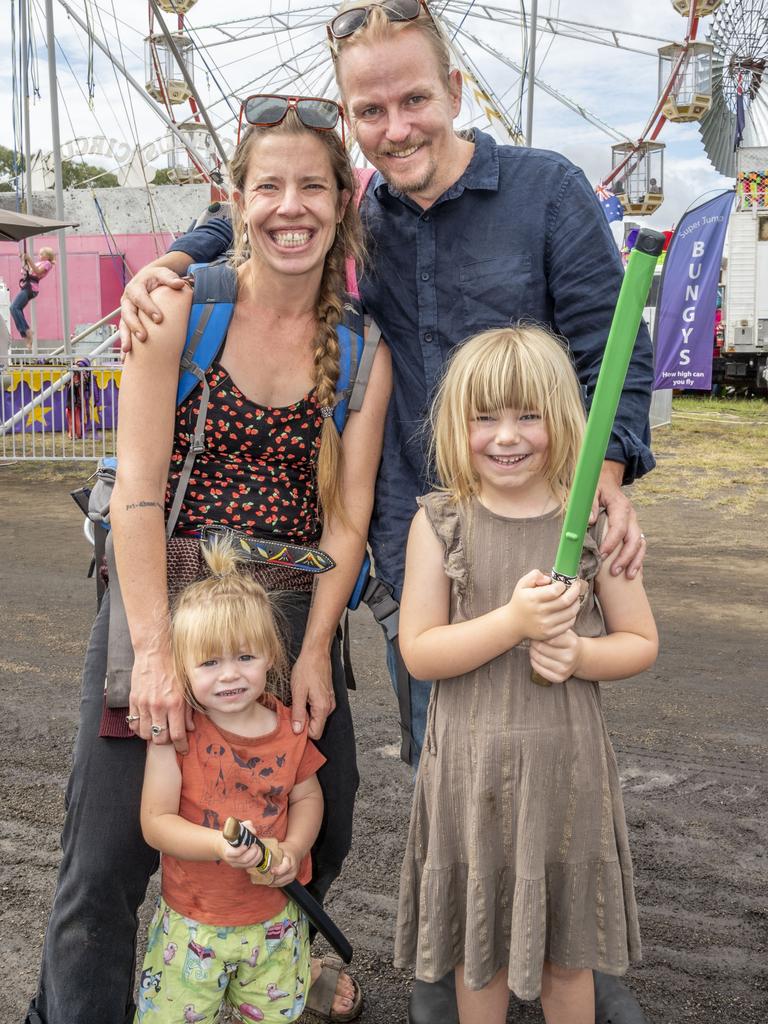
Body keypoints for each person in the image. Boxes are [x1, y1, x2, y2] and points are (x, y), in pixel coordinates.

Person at [117, 3, 656, 1019]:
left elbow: (605, 350)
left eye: (414, 98)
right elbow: (275, 207)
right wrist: (182, 255)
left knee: (551, 771)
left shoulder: (547, 192)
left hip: (541, 544)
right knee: (449, 780)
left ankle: (581, 977)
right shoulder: (368, 214)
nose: (397, 124)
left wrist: (611, 482)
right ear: (356, 122)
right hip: (424, 555)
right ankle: (453, 994)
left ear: (456, 92)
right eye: (372, 108)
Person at [25, 98, 390, 1024]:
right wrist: (149, 651)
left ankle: (260, 957)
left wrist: (313, 655)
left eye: (313, 185)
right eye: (268, 185)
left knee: (323, 816)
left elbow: (346, 522)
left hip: (286, 612)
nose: (290, 205)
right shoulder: (180, 310)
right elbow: (140, 492)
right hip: (167, 596)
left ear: (344, 203)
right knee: (105, 856)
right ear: (234, 199)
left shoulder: (359, 352)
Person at [396, 326, 658, 1024]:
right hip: (469, 777)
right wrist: (511, 623)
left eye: (528, 415)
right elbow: (419, 650)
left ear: (562, 419)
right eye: (485, 417)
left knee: (567, 959)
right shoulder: (440, 523)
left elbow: (639, 641)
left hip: (565, 777)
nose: (506, 436)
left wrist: (580, 655)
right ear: (458, 423)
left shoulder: (595, 522)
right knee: (475, 951)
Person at [135, 538, 324, 1024]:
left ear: (271, 655)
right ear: (182, 668)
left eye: (245, 656)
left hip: (275, 924)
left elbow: (307, 798)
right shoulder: (177, 738)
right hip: (192, 926)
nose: (229, 676)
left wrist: (297, 849)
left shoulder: (290, 730)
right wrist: (217, 847)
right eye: (209, 662)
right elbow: (156, 823)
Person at [11, 247, 55, 348]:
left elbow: (38, 272)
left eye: (41, 254)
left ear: (47, 256)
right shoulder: (38, 263)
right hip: (27, 286)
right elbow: (26, 272)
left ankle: (27, 332)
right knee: (15, 309)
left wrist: (29, 259)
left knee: (14, 307)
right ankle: (26, 334)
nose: (39, 256)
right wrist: (23, 260)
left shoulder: (47, 264)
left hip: (32, 288)